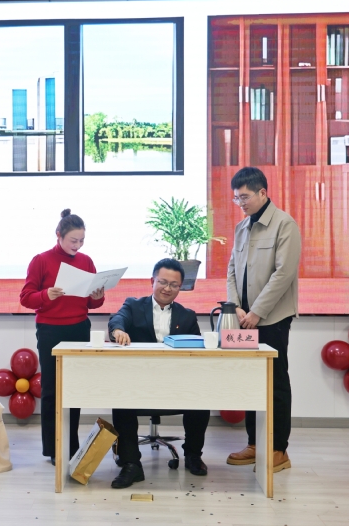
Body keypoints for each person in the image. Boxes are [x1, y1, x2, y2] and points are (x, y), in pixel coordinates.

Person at [107, 258, 209, 489]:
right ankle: (131, 464)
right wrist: (119, 330)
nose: (167, 288)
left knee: (201, 395)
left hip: (175, 382)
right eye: (162, 282)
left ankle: (193, 455)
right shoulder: (133, 306)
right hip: (139, 381)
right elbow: (117, 320)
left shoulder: (187, 315)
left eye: (174, 285)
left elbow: (197, 349)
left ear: (180, 287)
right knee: (121, 398)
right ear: (152, 281)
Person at [225, 166, 301, 473]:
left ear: (262, 193)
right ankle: (255, 443)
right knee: (249, 381)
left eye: (244, 197)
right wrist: (235, 307)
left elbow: (284, 273)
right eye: (236, 198)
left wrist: (257, 311)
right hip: (244, 319)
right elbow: (231, 270)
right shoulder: (241, 227)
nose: (240, 203)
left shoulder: (285, 224)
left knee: (275, 382)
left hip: (272, 319)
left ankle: (278, 449)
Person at [20, 209, 105, 466]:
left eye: (81, 241)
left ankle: (71, 445)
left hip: (79, 328)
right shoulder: (41, 260)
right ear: (58, 235)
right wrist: (46, 295)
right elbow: (26, 298)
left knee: (74, 388)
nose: (77, 246)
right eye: (73, 241)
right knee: (51, 390)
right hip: (51, 330)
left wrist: (98, 296)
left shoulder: (86, 261)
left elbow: (92, 304)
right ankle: (53, 448)